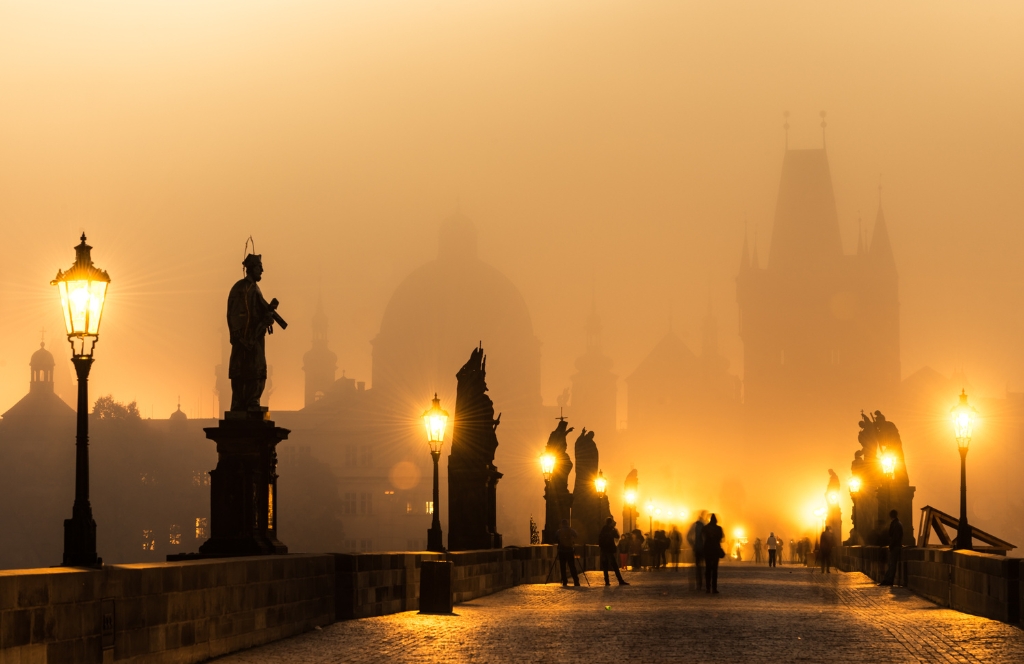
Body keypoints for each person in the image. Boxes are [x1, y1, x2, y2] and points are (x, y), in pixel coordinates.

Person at [598, 518, 629, 586]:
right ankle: (620, 580)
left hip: (603, 550)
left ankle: (607, 581)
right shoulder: (611, 530)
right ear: (610, 523)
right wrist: (614, 528)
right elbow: (617, 536)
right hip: (609, 550)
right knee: (614, 566)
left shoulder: (603, 529)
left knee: (605, 566)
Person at [880, 509, 904, 586]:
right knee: (891, 564)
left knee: (892, 564)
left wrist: (891, 545)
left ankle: (889, 580)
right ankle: (887, 580)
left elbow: (895, 537)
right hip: (895, 546)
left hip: (895, 547)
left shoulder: (896, 524)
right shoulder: (897, 524)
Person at [702, 513, 725, 594]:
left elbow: (702, 537)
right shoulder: (719, 529)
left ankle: (708, 587)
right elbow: (722, 538)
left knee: (708, 569)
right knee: (715, 570)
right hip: (715, 550)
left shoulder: (705, 528)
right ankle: (714, 588)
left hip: (707, 550)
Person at [556, 519, 580, 587]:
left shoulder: (559, 531)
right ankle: (576, 581)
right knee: (572, 566)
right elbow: (576, 535)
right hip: (569, 551)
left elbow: (555, 537)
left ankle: (564, 581)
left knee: (562, 567)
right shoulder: (571, 530)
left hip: (561, 551)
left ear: (562, 524)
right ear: (567, 524)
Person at [687, 512, 706, 590]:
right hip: (703, 548)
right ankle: (703, 583)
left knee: (698, 566)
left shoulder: (694, 526)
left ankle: (699, 583)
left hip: (697, 548)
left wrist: (692, 544)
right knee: (703, 566)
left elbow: (688, 536)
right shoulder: (704, 526)